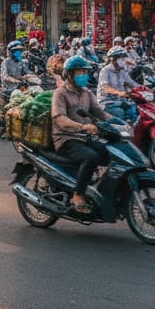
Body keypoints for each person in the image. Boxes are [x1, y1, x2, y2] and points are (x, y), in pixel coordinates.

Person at [51, 55, 112, 214]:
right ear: (70, 74)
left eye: (85, 72)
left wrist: (119, 124)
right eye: (80, 72)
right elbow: (60, 119)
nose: (83, 75)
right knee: (91, 157)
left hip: (83, 137)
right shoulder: (60, 93)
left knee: (108, 153)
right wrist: (83, 127)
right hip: (65, 139)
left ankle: (94, 185)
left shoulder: (87, 93)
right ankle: (78, 195)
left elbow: (100, 113)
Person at [96, 46, 140, 122]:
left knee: (134, 110)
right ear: (113, 59)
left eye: (123, 57)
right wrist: (119, 93)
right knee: (120, 113)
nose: (123, 60)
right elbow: (106, 88)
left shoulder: (123, 71)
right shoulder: (105, 71)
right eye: (120, 58)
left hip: (120, 101)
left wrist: (145, 89)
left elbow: (131, 83)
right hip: (106, 102)